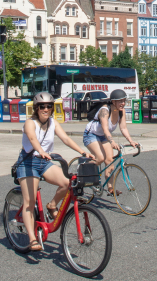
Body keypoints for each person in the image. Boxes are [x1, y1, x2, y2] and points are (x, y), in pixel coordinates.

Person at [14, 92, 92, 252]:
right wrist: (41, 151)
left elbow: (66, 139)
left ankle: (51, 205)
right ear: (36, 108)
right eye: (42, 106)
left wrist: (83, 152)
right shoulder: (30, 123)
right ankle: (32, 238)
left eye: (49, 106)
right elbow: (32, 138)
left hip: (44, 161)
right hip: (28, 162)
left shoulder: (52, 123)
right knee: (29, 201)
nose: (46, 109)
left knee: (66, 183)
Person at [83, 89, 139, 195]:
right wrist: (112, 142)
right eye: (120, 101)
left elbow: (123, 128)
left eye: (124, 100)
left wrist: (131, 141)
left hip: (104, 137)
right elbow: (105, 129)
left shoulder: (121, 111)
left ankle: (110, 188)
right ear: (113, 102)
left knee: (110, 161)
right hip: (91, 135)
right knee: (100, 158)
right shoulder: (104, 111)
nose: (123, 103)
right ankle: (83, 170)